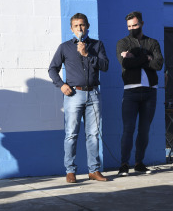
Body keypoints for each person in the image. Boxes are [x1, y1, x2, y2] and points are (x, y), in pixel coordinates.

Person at [49, 13, 109, 183]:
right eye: (76, 26)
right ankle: (70, 171)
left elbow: (105, 66)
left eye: (82, 25)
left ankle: (94, 170)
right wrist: (61, 84)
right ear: (71, 28)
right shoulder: (64, 47)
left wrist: (86, 55)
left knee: (93, 134)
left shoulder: (97, 45)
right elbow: (52, 69)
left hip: (93, 94)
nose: (80, 28)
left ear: (87, 26)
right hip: (74, 94)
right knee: (71, 134)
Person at [116, 11, 163, 176]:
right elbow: (126, 64)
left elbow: (158, 64)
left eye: (134, 25)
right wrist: (146, 58)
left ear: (142, 23)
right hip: (131, 91)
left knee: (144, 130)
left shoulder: (153, 42)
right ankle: (124, 164)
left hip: (150, 92)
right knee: (128, 129)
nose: (132, 29)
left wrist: (136, 56)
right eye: (129, 26)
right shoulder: (123, 43)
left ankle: (139, 163)